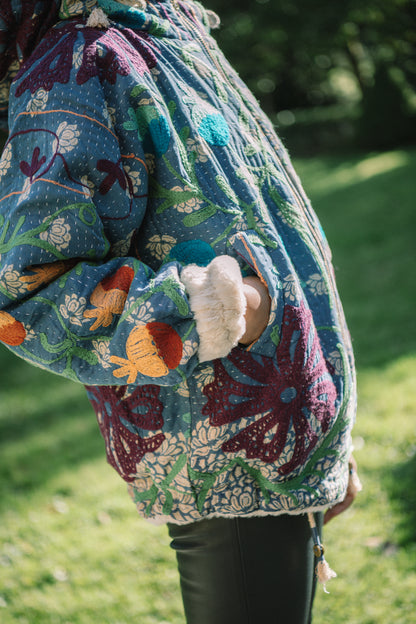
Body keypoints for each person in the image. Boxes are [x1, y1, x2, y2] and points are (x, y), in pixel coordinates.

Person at [0, 1, 361, 622]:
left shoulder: (162, 33)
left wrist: (328, 433)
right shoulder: (81, 63)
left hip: (282, 431)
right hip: (225, 445)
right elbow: (29, 291)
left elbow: (259, 220)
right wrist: (230, 308)